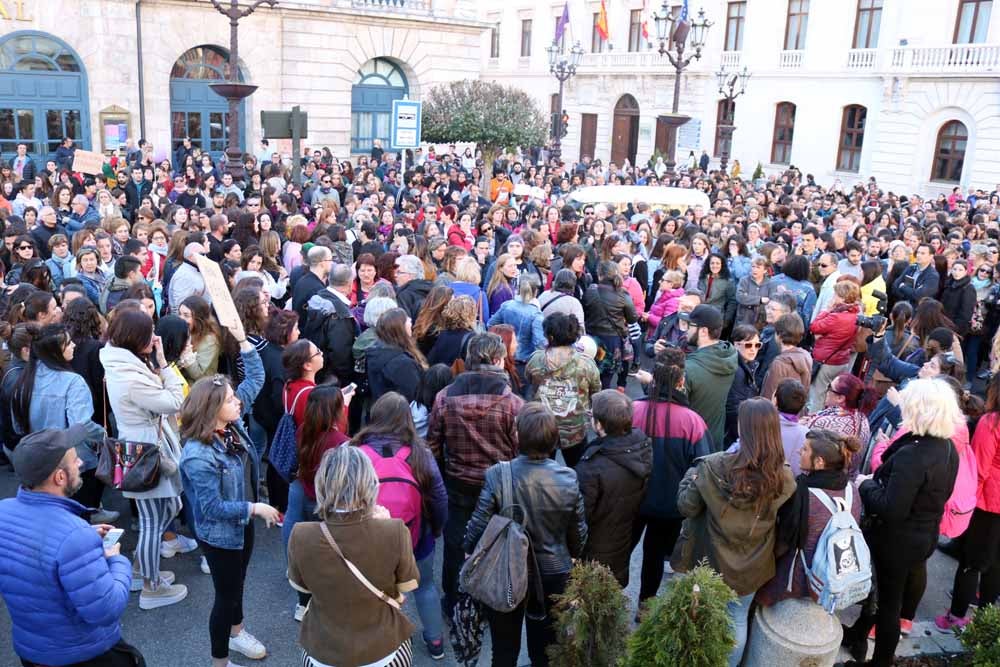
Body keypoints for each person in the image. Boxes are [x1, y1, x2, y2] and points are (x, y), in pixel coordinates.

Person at [842, 378, 961, 667]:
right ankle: (858, 633)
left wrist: (865, 484)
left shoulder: (913, 455)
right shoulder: (946, 448)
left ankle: (880, 661)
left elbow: (891, 508)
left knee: (888, 605)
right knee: (887, 597)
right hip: (923, 535)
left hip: (897, 540)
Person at [0, 426, 142, 667]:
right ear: (59, 477)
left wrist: (84, 537)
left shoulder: (4, 511)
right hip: (83, 654)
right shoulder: (73, 535)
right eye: (75, 460)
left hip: (32, 651)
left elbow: (38, 550)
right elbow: (106, 609)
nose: (80, 463)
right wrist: (116, 560)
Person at [673, 398, 796, 667]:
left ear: (744, 429)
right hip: (752, 564)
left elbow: (687, 506)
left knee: (698, 614)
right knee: (736, 620)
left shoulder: (712, 466)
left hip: (708, 559)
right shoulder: (784, 478)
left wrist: (689, 479)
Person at [463, 403, 588, 667]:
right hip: (554, 573)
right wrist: (575, 556)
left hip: (506, 570)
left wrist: (469, 549)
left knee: (504, 650)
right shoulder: (568, 478)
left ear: (518, 436)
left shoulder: (498, 474)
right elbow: (577, 533)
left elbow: (477, 525)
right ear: (555, 439)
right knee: (543, 651)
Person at [179, 356, 273, 667]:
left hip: (241, 523)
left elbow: (256, 379)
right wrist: (255, 507)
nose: (238, 403)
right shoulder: (197, 454)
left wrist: (243, 340)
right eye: (231, 400)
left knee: (237, 583)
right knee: (224, 596)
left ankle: (238, 633)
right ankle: (219, 661)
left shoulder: (231, 426)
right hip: (221, 533)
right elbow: (212, 508)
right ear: (212, 409)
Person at [287, 446, 419, 667]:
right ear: (369, 483)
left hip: (322, 652)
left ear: (323, 484)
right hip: (384, 651)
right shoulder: (393, 531)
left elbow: (302, 587)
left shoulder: (301, 535)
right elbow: (407, 585)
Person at [427, 332, 524, 618]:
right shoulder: (513, 404)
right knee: (495, 541)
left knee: (456, 543)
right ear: (496, 359)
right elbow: (520, 450)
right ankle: (490, 597)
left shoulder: (444, 397)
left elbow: (433, 445)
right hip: (500, 485)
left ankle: (453, 599)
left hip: (458, 482)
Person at [99, 308, 190, 609]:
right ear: (133, 337)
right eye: (148, 332)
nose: (154, 337)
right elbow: (174, 401)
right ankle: (151, 587)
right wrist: (164, 364)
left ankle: (142, 569)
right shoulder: (130, 375)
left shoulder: (121, 362)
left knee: (163, 511)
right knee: (153, 521)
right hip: (146, 450)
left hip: (140, 445)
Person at [354, 392, 449, 659]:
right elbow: (439, 498)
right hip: (416, 537)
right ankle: (435, 642)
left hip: (368, 539)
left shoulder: (357, 452)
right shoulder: (420, 453)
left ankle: (376, 645)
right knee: (426, 586)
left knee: (372, 592)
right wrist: (437, 529)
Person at [630, 347, 713, 603]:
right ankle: (646, 603)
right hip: (670, 505)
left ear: (652, 380)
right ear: (681, 382)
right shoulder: (693, 422)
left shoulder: (632, 410)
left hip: (631, 498)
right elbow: (702, 465)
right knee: (654, 554)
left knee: (619, 549)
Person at [756, 428, 863, 606]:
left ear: (819, 462)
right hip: (833, 576)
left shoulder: (803, 493)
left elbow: (784, 541)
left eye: (805, 449)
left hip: (797, 580)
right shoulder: (852, 489)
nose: (800, 451)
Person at [11, 324, 106, 509]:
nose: (74, 346)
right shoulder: (73, 382)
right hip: (72, 462)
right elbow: (81, 425)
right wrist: (103, 435)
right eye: (68, 343)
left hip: (38, 462)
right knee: (79, 513)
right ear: (55, 351)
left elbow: (17, 427)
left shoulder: (23, 381)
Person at [937, 373, 1000, 629]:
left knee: (971, 561)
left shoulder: (991, 423)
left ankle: (955, 616)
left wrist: (967, 502)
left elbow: (980, 469)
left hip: (987, 501)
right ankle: (985, 617)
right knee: (995, 561)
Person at [283, 383, 349, 621]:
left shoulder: (303, 430)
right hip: (326, 504)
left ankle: (303, 603)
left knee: (306, 553)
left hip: (304, 494)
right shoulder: (341, 442)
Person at [575, 389, 652, 586]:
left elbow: (581, 516)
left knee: (591, 598)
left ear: (599, 424)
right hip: (622, 536)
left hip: (594, 546)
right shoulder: (641, 447)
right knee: (610, 592)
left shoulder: (592, 466)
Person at [526, 312, 602, 467]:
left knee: (542, 472)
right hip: (575, 430)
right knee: (578, 471)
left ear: (550, 337)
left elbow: (529, 381)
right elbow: (596, 393)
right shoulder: (586, 365)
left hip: (543, 428)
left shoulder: (536, 360)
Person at [682, 304, 738, 450]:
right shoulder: (729, 356)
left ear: (703, 331)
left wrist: (650, 381)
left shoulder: (689, 369)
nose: (687, 329)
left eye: (690, 325)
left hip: (690, 444)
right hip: (714, 441)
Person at [583, 261, 639, 389]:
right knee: (607, 375)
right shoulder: (623, 294)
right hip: (613, 340)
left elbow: (584, 312)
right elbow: (632, 318)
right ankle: (607, 399)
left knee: (590, 371)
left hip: (592, 338)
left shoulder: (591, 291)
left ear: (599, 274)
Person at [301, 263, 358, 386]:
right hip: (332, 380)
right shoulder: (340, 313)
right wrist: (346, 379)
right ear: (349, 284)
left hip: (315, 370)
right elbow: (340, 353)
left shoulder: (317, 298)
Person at [808, 280, 861, 412]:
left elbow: (814, 327)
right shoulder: (857, 314)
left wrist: (827, 309)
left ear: (842, 298)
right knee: (834, 394)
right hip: (842, 360)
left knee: (818, 394)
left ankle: (814, 422)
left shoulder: (836, 317)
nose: (833, 298)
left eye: (835, 295)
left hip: (827, 361)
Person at [489, 273, 546, 390]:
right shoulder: (536, 315)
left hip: (505, 359)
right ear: (535, 292)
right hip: (524, 363)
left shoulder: (506, 306)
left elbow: (490, 324)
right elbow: (539, 344)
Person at [366, 307, 426, 404]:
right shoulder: (401, 363)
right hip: (400, 414)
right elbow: (414, 394)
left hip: (384, 410)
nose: (410, 319)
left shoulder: (376, 351)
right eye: (406, 319)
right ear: (399, 328)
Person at [725, 324, 762, 447]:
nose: (753, 349)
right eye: (748, 345)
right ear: (736, 344)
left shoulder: (747, 364)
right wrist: (743, 437)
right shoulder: (737, 370)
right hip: (733, 434)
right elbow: (734, 407)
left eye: (757, 345)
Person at [760, 313, 812, 401]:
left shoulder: (779, 363)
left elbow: (769, 395)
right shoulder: (806, 356)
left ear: (778, 335)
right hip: (796, 411)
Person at [292, 246, 333, 328]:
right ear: (322, 263)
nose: (332, 263)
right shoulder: (316, 290)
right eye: (330, 260)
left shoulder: (302, 281)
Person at [394, 254, 434, 320]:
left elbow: (404, 322)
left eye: (399, 272)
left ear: (411, 275)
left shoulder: (404, 295)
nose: (395, 275)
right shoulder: (432, 288)